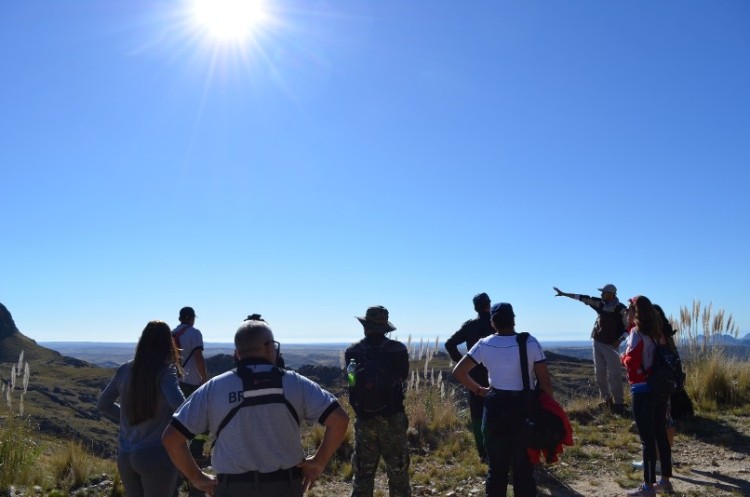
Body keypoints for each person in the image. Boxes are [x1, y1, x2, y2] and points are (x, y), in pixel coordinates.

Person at [162, 318, 349, 497]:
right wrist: (318, 462)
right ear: (269, 347)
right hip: (285, 486)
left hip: (232, 488)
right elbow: (339, 420)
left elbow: (171, 438)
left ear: (237, 353)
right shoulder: (295, 383)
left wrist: (197, 478)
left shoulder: (214, 388)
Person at [453, 303, 554, 497]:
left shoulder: (484, 344)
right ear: (514, 319)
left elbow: (459, 372)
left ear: (493, 322)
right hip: (525, 411)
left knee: (496, 470)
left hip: (495, 409)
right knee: (524, 470)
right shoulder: (530, 342)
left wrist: (480, 390)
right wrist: (547, 409)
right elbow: (546, 383)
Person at [98, 321, 186, 497]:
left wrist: (127, 418)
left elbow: (103, 405)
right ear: (168, 343)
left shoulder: (125, 369)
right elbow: (180, 406)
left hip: (125, 456)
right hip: (156, 454)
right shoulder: (165, 371)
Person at [345, 305, 411, 497]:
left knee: (363, 476)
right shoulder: (398, 350)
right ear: (385, 328)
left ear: (365, 326)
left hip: (365, 419)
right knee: (398, 474)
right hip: (393, 418)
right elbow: (402, 377)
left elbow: (351, 382)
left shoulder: (353, 351)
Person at [621, 295, 674, 496]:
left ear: (636, 312)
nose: (627, 313)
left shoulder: (637, 333)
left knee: (647, 441)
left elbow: (632, 362)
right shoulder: (658, 333)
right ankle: (666, 482)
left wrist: (623, 358)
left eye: (629, 309)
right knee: (661, 435)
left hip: (642, 390)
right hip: (659, 389)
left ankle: (648, 487)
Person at [554, 284, 628, 414]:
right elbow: (582, 298)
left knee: (615, 374)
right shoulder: (600, 303)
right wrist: (564, 294)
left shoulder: (621, 309)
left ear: (611, 294)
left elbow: (628, 327)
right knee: (599, 373)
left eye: (604, 292)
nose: (601, 295)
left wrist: (620, 340)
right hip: (597, 341)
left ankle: (619, 403)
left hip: (612, 344)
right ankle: (606, 399)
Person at [444, 292, 494, 462]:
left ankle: (483, 452)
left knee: (477, 415)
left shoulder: (470, 325)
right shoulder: (498, 322)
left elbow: (449, 344)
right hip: (498, 374)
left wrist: (464, 365)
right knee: (501, 411)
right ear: (489, 304)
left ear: (475, 307)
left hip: (474, 377)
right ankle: (502, 449)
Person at [172, 306, 208, 397]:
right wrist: (204, 379)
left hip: (175, 380)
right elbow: (198, 357)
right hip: (192, 381)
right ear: (192, 318)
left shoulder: (173, 333)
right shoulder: (194, 333)